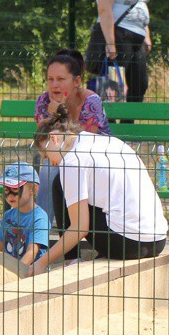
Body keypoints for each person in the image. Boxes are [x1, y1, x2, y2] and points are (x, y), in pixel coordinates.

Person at [30, 105, 168, 275]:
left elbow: (80, 227)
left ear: (54, 138)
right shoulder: (104, 141)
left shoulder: (73, 160)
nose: (49, 162)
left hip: (128, 244)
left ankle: (72, 261)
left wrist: (42, 263)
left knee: (58, 184)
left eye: (45, 155)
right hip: (158, 241)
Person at [33, 49, 111, 226]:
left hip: (94, 159)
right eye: (50, 79)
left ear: (76, 81)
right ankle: (40, 227)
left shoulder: (92, 101)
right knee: (48, 168)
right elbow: (45, 142)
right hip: (59, 158)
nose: (54, 85)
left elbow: (85, 141)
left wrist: (61, 115)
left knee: (50, 170)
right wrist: (52, 116)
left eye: (61, 79)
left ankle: (41, 226)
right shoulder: (43, 101)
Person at [95, 0, 152, 103]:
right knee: (113, 86)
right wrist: (111, 42)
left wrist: (146, 34)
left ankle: (130, 123)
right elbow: (105, 9)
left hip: (137, 36)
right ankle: (109, 125)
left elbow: (139, 3)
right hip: (119, 34)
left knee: (140, 83)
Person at [0, 162, 49, 266]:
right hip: (8, 271)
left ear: (33, 189)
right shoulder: (8, 215)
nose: (9, 196)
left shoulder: (40, 218)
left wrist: (15, 275)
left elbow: (31, 252)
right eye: (6, 190)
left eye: (15, 189)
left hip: (30, 273)